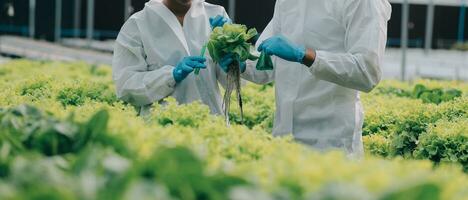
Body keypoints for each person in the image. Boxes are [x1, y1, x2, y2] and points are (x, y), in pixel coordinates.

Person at [219, 0, 391, 157]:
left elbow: (367, 71)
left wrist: (306, 55)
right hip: (283, 141)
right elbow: (268, 60)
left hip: (331, 145)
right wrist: (242, 64)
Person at [112, 0, 230, 116]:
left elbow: (233, 80)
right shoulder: (138, 23)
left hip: (210, 123)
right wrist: (171, 75)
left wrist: (233, 53)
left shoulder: (216, 14)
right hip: (163, 126)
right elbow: (125, 87)